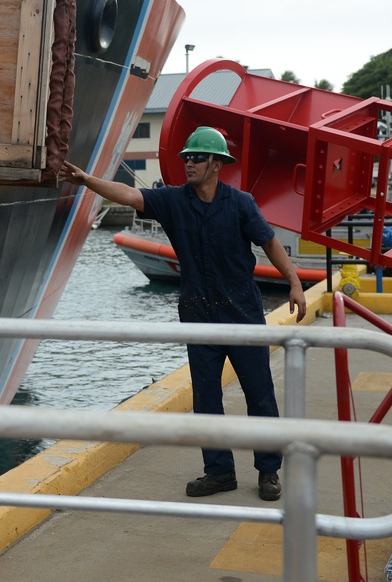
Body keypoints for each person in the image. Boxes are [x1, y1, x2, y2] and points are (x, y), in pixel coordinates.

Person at [59, 126, 307, 501]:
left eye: (197, 157)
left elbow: (270, 243)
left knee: (259, 395)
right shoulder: (173, 201)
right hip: (198, 313)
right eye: (186, 157)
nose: (188, 163)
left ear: (217, 164)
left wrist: (294, 282)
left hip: (242, 313)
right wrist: (87, 181)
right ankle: (220, 472)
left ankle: (268, 471)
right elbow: (128, 194)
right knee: (207, 398)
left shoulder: (241, 203)